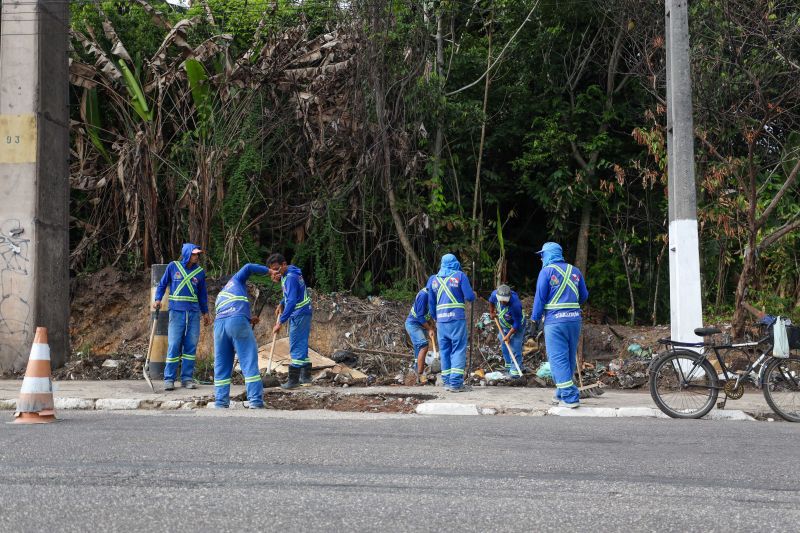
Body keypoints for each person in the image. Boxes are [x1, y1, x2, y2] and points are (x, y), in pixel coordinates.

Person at [530, 242, 589, 408]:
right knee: (569, 357)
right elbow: (584, 296)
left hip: (555, 322)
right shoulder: (575, 271)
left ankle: (570, 397)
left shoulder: (546, 272)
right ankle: (561, 392)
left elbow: (540, 299)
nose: (541, 258)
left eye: (543, 255)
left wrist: (534, 320)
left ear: (549, 255)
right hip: (574, 320)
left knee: (557, 359)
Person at [153, 243, 210, 391]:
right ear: (187, 254)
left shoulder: (200, 272)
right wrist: (158, 299)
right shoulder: (173, 266)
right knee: (174, 344)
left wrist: (205, 313)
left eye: (197, 254)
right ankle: (169, 379)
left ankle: (187, 378)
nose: (196, 257)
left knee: (191, 346)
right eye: (194, 254)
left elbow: (202, 295)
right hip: (176, 312)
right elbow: (162, 284)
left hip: (193, 313)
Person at [213, 263, 267, 408]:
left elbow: (230, 310)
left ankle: (220, 402)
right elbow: (248, 267)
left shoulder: (221, 295)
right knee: (248, 361)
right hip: (236, 322)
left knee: (222, 365)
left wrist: (249, 319)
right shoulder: (236, 280)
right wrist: (270, 272)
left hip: (219, 326)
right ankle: (255, 401)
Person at [427, 253, 475, 392]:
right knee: (458, 349)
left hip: (441, 322)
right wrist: (474, 295)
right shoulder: (459, 276)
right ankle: (455, 383)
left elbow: (431, 302)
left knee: (445, 350)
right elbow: (469, 297)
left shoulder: (433, 280)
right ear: (455, 263)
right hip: (456, 319)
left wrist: (435, 318)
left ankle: (447, 381)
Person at [268, 254, 313, 390]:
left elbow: (292, 301)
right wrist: (281, 303)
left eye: (277, 269)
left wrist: (280, 322)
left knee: (295, 344)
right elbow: (290, 295)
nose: (275, 272)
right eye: (273, 270)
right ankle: (305, 378)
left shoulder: (290, 278)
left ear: (284, 264)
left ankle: (293, 380)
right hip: (303, 311)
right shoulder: (290, 272)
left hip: (299, 312)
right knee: (302, 343)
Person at [489, 284, 525, 379]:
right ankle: (509, 366)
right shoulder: (494, 295)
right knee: (503, 342)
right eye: (501, 301)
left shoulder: (515, 305)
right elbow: (491, 301)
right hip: (504, 324)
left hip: (517, 326)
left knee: (515, 346)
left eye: (505, 301)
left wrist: (508, 335)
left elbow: (516, 323)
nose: (503, 303)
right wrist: (492, 311)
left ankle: (515, 372)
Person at [405, 287, 435, 381]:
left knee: (419, 348)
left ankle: (416, 372)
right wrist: (429, 329)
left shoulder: (433, 295)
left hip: (420, 325)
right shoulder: (423, 295)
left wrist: (433, 327)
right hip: (413, 324)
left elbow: (429, 315)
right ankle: (420, 374)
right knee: (424, 346)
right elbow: (421, 317)